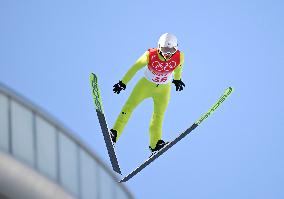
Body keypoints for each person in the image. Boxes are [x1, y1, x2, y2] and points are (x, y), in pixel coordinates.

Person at [110, 33, 185, 155]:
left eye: (171, 50)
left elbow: (178, 68)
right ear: (159, 47)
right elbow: (135, 67)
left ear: (176, 48)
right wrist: (123, 83)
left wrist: (177, 79)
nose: (168, 53)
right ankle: (115, 132)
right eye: (165, 49)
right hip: (145, 85)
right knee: (129, 107)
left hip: (164, 90)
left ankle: (155, 144)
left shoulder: (179, 56)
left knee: (158, 116)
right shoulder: (150, 54)